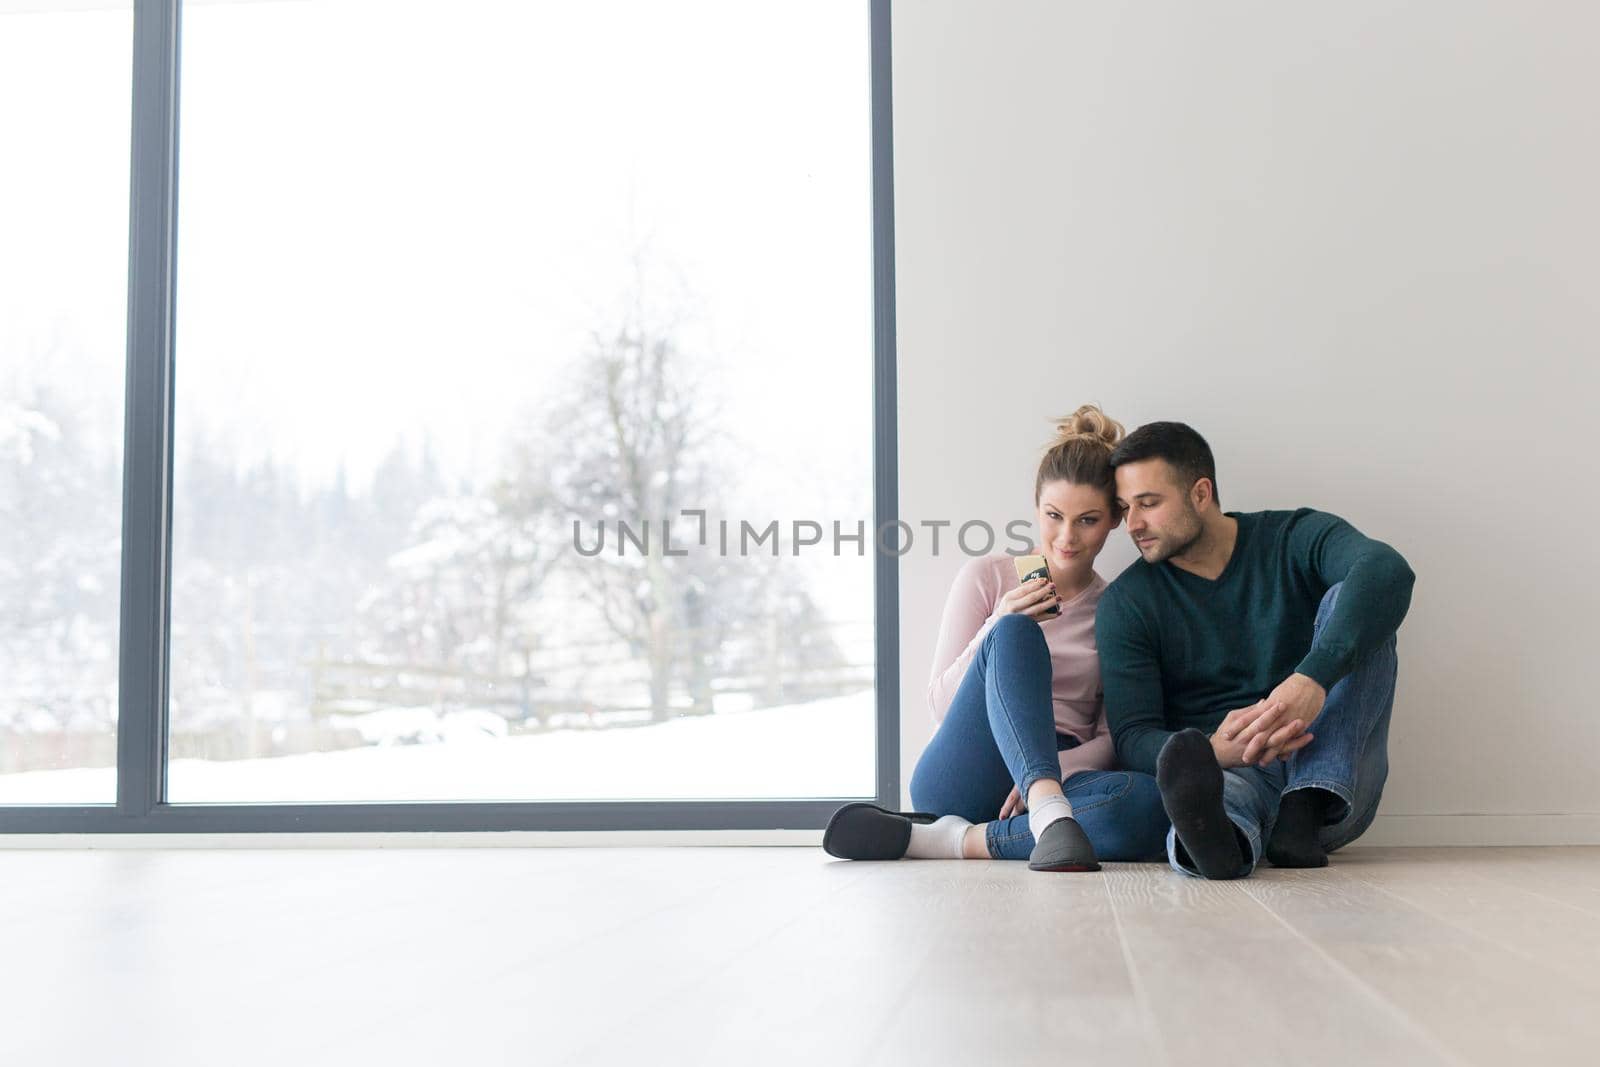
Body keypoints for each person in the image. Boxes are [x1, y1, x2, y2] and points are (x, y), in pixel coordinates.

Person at [822, 405, 1170, 871]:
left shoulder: (1118, 609)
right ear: (1035, 507)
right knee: (1015, 631)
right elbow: (941, 705)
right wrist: (998, 622)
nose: (1066, 537)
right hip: (970, 762)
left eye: (1087, 520)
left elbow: (1112, 738)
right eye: (1053, 515)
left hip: (1063, 770)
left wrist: (1045, 774)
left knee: (1146, 805)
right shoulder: (987, 577)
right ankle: (1046, 814)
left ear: (1113, 520)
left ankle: (950, 841)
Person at [1096, 421, 1415, 879]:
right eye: (1126, 508)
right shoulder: (1127, 603)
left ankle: (1305, 802)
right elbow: (1132, 734)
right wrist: (1213, 750)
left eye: (1148, 503)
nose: (1133, 525)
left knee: (1362, 601)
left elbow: (1387, 570)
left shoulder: (1292, 536)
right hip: (1236, 769)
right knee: (1214, 798)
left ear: (1200, 493)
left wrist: (1311, 680)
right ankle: (1219, 845)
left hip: (1337, 772)